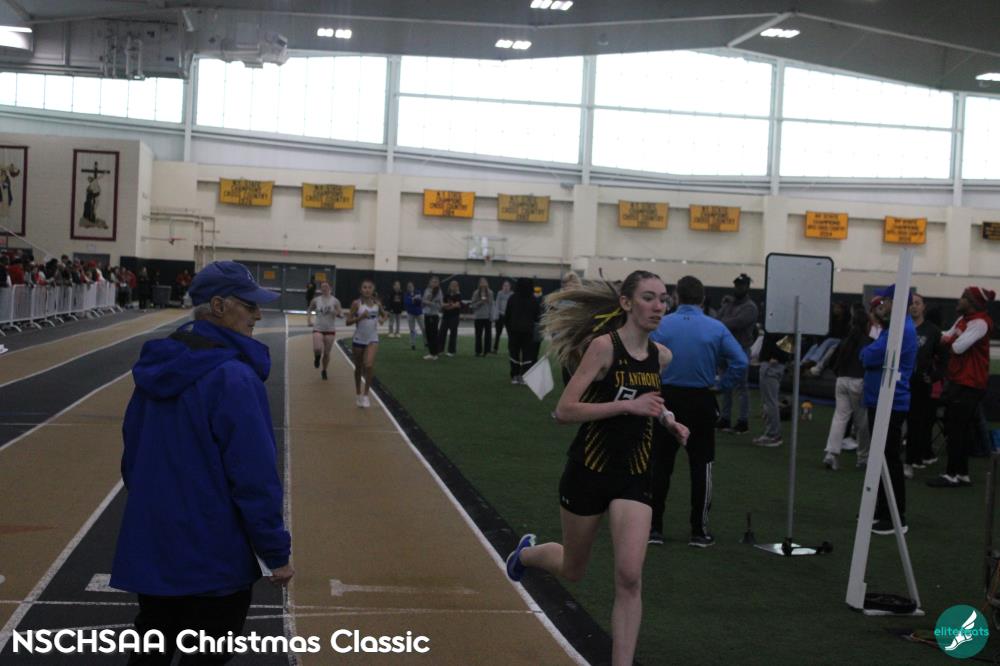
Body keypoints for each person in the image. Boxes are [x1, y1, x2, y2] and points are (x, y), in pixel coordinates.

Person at [110, 261, 293, 665]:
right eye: (250, 305)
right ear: (219, 306)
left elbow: (132, 455)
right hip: (214, 554)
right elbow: (254, 476)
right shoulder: (234, 378)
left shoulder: (155, 368)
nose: (258, 314)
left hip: (155, 544)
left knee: (150, 653)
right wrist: (274, 550)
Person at [505, 271, 688, 666]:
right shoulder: (604, 348)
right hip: (589, 469)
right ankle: (527, 555)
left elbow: (650, 400)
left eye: (663, 299)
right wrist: (628, 406)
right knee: (573, 568)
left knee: (630, 576)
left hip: (635, 473)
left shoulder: (662, 356)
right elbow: (564, 411)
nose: (659, 306)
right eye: (649, 298)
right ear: (626, 303)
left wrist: (668, 419)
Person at [649, 275, 747, 547]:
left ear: (675, 297)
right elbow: (740, 362)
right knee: (701, 465)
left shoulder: (660, 324)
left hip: (666, 399)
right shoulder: (716, 327)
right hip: (701, 399)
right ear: (703, 298)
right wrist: (722, 386)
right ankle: (699, 532)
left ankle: (654, 528)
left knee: (659, 465)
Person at [860, 285, 917, 534]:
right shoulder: (896, 327)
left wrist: (867, 354)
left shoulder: (899, 329)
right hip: (884, 400)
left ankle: (895, 517)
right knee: (882, 458)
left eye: (885, 300)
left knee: (889, 459)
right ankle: (884, 510)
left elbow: (869, 356)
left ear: (895, 301)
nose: (882, 304)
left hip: (890, 402)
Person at [928, 286, 995, 488]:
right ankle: (962, 474)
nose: (959, 300)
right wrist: (943, 337)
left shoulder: (980, 323)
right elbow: (946, 337)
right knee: (959, 428)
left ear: (972, 302)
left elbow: (957, 347)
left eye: (963, 297)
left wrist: (948, 340)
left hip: (970, 383)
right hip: (960, 381)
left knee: (956, 428)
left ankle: (952, 474)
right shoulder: (963, 320)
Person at [821, 303, 872, 470]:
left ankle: (831, 454)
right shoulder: (869, 342)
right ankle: (863, 458)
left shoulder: (845, 340)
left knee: (839, 418)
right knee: (862, 423)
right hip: (859, 381)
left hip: (841, 380)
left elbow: (833, 362)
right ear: (867, 325)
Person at [903, 293, 943, 478]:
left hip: (919, 385)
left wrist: (933, 376)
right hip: (900, 382)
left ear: (924, 307)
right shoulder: (901, 327)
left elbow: (944, 359)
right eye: (911, 303)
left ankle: (910, 462)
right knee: (895, 423)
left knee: (915, 424)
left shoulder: (932, 331)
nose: (914, 306)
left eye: (917, 303)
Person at [715, 273, 758, 434]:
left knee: (741, 387)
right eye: (737, 285)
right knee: (725, 385)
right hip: (726, 349)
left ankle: (743, 421)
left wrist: (722, 320)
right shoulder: (730, 304)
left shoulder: (750, 307)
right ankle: (725, 418)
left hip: (740, 350)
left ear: (747, 287)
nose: (738, 288)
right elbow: (718, 319)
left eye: (741, 285)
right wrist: (724, 310)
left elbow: (736, 323)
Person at [346, 278, 386, 408]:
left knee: (368, 365)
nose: (367, 290)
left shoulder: (377, 304)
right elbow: (348, 322)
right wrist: (360, 317)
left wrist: (382, 319)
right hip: (358, 339)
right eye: (364, 287)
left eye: (370, 287)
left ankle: (366, 395)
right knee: (358, 368)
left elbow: (385, 315)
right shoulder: (356, 304)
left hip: (372, 339)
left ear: (373, 289)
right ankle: (358, 393)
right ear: (360, 290)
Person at [754, 332, 791, 448]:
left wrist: (775, 356)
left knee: (770, 402)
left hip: (772, 364)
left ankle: (773, 435)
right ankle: (772, 433)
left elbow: (787, 338)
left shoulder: (779, 324)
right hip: (774, 362)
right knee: (770, 401)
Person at [505, 277, 541, 385]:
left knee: (514, 354)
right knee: (527, 356)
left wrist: (509, 329)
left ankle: (515, 376)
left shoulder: (512, 298)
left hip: (514, 331)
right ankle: (524, 377)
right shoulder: (533, 299)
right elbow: (537, 317)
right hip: (528, 332)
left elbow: (507, 316)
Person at [307, 281, 342, 381]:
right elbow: (309, 309)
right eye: (322, 287)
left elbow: (341, 315)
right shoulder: (316, 300)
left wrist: (335, 312)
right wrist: (309, 320)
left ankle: (324, 370)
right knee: (317, 348)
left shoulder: (335, 301)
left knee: (326, 353)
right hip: (318, 328)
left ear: (330, 288)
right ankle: (317, 358)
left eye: (326, 286)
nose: (324, 288)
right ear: (320, 289)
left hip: (330, 329)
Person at [471, 277, 494, 356]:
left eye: (485, 282)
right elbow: (473, 305)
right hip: (478, 317)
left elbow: (491, 305)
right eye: (482, 282)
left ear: (487, 283)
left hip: (487, 317)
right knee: (478, 335)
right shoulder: (476, 293)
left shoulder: (490, 292)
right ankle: (478, 351)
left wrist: (491, 316)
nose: (483, 284)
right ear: (479, 284)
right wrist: (480, 302)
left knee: (488, 335)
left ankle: (487, 351)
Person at [422, 276, 444, 360]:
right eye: (433, 281)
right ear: (430, 282)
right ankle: (431, 352)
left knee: (433, 334)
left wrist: (430, 302)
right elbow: (423, 301)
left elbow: (440, 305)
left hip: (434, 315)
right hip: (427, 314)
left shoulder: (439, 292)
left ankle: (435, 353)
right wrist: (425, 301)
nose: (434, 283)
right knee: (428, 334)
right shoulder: (427, 290)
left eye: (436, 282)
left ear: (438, 283)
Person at [440, 280, 463, 356]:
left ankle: (451, 351)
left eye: (455, 285)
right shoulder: (446, 295)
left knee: (453, 333)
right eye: (452, 285)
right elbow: (442, 304)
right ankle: (440, 349)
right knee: (442, 332)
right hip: (445, 316)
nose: (453, 287)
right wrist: (450, 305)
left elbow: (457, 305)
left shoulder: (458, 295)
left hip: (454, 317)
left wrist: (449, 306)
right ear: (449, 286)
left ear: (457, 287)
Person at [492, 279, 512, 354]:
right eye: (504, 286)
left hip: (508, 316)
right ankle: (495, 349)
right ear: (502, 287)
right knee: (498, 333)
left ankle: (510, 349)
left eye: (507, 286)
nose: (506, 287)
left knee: (510, 334)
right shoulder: (499, 293)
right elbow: (497, 304)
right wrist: (496, 316)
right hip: (500, 315)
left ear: (510, 287)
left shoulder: (512, 294)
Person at [403, 281, 424, 351]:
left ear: (413, 286)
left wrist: (412, 300)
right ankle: (413, 344)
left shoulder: (418, 292)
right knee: (412, 330)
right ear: (407, 288)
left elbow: (419, 302)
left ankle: (426, 343)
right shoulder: (406, 294)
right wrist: (413, 300)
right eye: (408, 287)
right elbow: (407, 303)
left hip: (419, 313)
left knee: (423, 328)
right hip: (410, 313)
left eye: (411, 286)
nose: (410, 288)